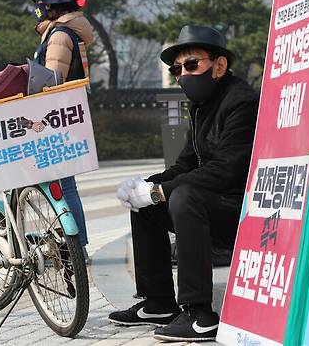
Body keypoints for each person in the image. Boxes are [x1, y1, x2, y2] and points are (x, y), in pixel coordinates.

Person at [109, 25, 259, 342]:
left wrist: (161, 191)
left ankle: (199, 313)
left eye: (191, 65)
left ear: (219, 65)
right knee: (147, 202)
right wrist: (146, 186)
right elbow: (185, 164)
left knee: (181, 196)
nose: (182, 75)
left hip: (242, 210)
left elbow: (226, 170)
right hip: (214, 204)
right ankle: (159, 302)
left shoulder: (242, 102)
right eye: (176, 69)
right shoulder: (201, 108)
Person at [28, 0, 95, 257]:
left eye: (42, 5)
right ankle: (75, 244)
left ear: (53, 7)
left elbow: (51, 81)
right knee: (66, 185)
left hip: (56, 119)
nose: (38, 9)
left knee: (64, 185)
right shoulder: (63, 32)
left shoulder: (59, 36)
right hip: (66, 117)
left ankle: (74, 246)